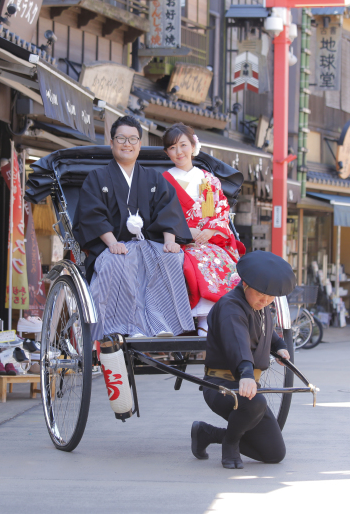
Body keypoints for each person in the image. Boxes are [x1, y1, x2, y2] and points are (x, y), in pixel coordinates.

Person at [73, 115, 195, 339]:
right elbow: (92, 214)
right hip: (112, 245)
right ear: (111, 143)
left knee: (171, 258)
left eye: (132, 139)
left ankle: (163, 324)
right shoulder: (97, 178)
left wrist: (170, 241)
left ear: (139, 144)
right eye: (121, 138)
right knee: (118, 261)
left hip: (148, 244)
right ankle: (125, 328)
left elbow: (168, 210)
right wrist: (112, 243)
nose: (127, 143)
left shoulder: (153, 178)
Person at [190, 250, 294, 469]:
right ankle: (230, 442)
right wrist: (246, 373)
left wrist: (280, 347)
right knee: (255, 401)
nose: (264, 301)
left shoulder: (259, 305)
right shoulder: (230, 306)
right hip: (221, 384)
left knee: (274, 453)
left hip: (248, 387)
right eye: (260, 295)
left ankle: (207, 433)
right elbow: (236, 341)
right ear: (245, 283)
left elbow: (267, 333)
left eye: (269, 298)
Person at [161, 123, 246, 336]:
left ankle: (217, 318)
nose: (179, 152)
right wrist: (185, 231)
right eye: (172, 147)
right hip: (179, 240)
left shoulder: (209, 180)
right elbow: (159, 214)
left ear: (193, 145)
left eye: (183, 145)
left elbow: (221, 210)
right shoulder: (162, 180)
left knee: (223, 261)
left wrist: (210, 232)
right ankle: (201, 320)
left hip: (210, 239)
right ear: (167, 152)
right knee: (195, 262)